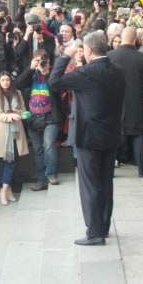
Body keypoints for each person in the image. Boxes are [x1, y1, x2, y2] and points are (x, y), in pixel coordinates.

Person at [49, 31, 126, 246]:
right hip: (111, 134)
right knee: (105, 182)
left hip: (89, 136)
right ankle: (103, 226)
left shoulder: (85, 73)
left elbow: (54, 82)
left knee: (90, 185)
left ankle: (94, 232)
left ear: (89, 50)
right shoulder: (117, 71)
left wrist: (65, 55)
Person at [107, 27, 143, 177]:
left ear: (121, 38)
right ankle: (142, 169)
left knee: (113, 136)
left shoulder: (110, 56)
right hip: (137, 102)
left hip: (114, 102)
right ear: (135, 40)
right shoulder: (142, 58)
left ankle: (110, 170)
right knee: (139, 135)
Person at [15, 49, 63, 190]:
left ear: (48, 61)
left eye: (43, 60)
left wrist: (47, 73)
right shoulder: (31, 74)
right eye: (38, 59)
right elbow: (17, 85)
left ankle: (51, 174)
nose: (41, 62)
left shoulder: (53, 73)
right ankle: (41, 180)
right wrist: (30, 69)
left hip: (50, 117)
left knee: (48, 145)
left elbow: (56, 88)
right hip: (33, 118)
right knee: (37, 150)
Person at [0, 71, 29, 206]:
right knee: (7, 162)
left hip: (16, 131)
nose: (6, 82)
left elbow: (22, 108)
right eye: (3, 80)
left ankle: (7, 189)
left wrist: (22, 114)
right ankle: (4, 189)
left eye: (7, 80)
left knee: (10, 161)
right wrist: (11, 116)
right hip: (2, 132)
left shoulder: (17, 93)